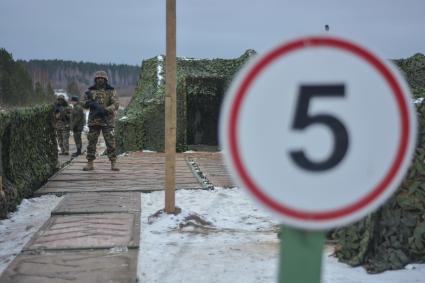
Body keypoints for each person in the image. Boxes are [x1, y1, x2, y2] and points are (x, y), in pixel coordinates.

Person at [81, 70, 120, 171]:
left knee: (110, 143)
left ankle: (113, 163)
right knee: (91, 142)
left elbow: (116, 104)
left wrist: (106, 109)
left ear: (105, 79)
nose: (100, 80)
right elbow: (83, 102)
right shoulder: (90, 91)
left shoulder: (111, 91)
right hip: (94, 120)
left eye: (102, 78)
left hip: (107, 120)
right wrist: (90, 103)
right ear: (95, 79)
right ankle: (90, 163)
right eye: (98, 78)